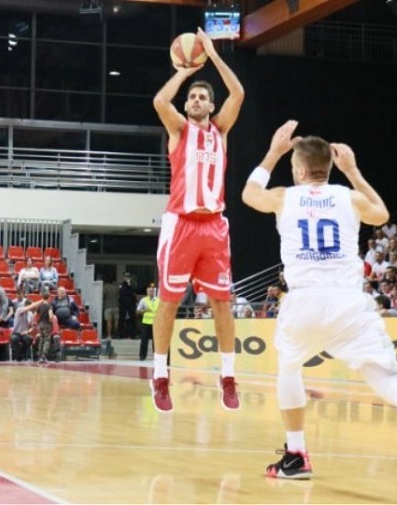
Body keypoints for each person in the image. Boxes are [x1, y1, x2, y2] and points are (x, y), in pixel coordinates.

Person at [241, 120, 397, 479]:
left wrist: (273, 152)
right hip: (349, 302)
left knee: (289, 368)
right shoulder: (350, 197)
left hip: (304, 300)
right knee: (388, 380)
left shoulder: (284, 196)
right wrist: (354, 171)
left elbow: (249, 193)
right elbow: (381, 213)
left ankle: (296, 456)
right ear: (328, 168)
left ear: (299, 171)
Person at [150, 27, 244, 412]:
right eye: (192, 96)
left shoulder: (221, 130)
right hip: (181, 224)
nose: (196, 100)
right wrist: (186, 71)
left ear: (211, 105)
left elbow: (238, 93)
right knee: (168, 303)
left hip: (214, 226)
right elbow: (160, 100)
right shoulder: (179, 130)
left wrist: (213, 56)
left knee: (222, 302)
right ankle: (160, 376)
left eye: (203, 96)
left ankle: (228, 377)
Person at [136, 284, 159, 361]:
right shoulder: (143, 300)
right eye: (148, 291)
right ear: (146, 292)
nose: (150, 292)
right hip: (146, 322)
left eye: (151, 291)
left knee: (155, 341)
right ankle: (142, 356)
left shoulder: (158, 300)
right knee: (144, 340)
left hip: (155, 323)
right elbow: (138, 311)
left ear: (154, 292)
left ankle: (156, 356)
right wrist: (145, 310)